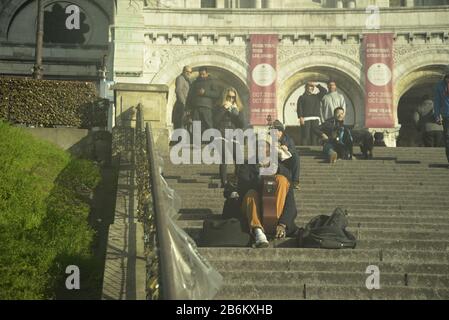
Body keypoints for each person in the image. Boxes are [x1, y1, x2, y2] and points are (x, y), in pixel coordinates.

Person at [237, 142, 298, 248]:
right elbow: (243, 189)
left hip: (275, 213)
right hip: (253, 208)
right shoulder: (246, 166)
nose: (261, 150)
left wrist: (283, 224)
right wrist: (261, 176)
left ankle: (273, 222)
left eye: (264, 148)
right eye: (258, 147)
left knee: (282, 179)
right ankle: (258, 231)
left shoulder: (280, 169)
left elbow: (290, 203)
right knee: (251, 193)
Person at [213, 87, 246, 187]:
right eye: (229, 97)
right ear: (225, 97)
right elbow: (215, 121)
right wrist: (224, 108)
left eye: (233, 97)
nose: (231, 99)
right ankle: (224, 182)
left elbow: (241, 124)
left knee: (239, 158)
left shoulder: (238, 108)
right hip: (221, 134)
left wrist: (236, 112)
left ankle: (237, 179)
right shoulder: (218, 107)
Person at [186, 66, 220, 135]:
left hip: (207, 107)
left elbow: (217, 94)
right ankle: (196, 143)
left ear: (207, 73)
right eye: (200, 74)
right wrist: (188, 108)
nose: (201, 76)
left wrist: (205, 92)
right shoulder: (195, 83)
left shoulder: (212, 81)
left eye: (203, 74)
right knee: (196, 126)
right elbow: (190, 96)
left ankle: (211, 142)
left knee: (208, 125)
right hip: (196, 107)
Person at [270, 120, 301, 190]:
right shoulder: (270, 139)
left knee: (296, 156)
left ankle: (295, 182)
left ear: (280, 132)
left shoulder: (288, 139)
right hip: (276, 162)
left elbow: (293, 150)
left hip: (287, 161)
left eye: (275, 131)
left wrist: (287, 149)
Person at [296, 81, 327, 146]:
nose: (311, 88)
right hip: (306, 119)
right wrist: (301, 117)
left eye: (312, 87)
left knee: (315, 137)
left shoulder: (317, 96)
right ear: (306, 87)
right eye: (310, 86)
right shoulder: (302, 97)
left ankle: (314, 152)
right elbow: (299, 108)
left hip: (315, 119)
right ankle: (303, 152)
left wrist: (316, 85)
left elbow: (324, 91)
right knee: (305, 136)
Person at [433, 72, 449, 163]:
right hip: (446, 115)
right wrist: (437, 116)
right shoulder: (440, 86)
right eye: (447, 78)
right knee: (447, 138)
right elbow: (437, 102)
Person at [172, 66, 192, 130]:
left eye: (190, 72)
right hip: (181, 105)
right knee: (180, 126)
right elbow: (178, 90)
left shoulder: (187, 81)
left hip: (186, 106)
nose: (188, 73)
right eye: (187, 71)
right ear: (183, 71)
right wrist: (184, 103)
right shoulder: (180, 78)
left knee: (185, 125)